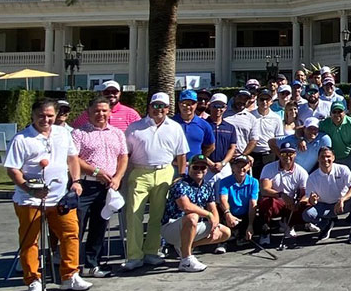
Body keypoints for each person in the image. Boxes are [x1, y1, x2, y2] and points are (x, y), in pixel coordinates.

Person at [5, 98, 91, 291]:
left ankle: (70, 276)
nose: (46, 119)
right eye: (41, 115)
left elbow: (72, 158)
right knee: (30, 240)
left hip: (60, 197)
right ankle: (33, 280)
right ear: (33, 116)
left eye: (50, 116)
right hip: (30, 200)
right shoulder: (22, 139)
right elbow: (13, 170)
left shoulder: (63, 134)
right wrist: (29, 189)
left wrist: (76, 181)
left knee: (71, 234)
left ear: (56, 115)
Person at [122, 92, 189, 271]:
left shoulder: (175, 127)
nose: (158, 109)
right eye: (155, 105)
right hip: (139, 172)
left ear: (168, 109)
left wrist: (181, 176)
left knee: (157, 215)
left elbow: (182, 154)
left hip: (165, 172)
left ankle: (151, 252)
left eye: (163, 106)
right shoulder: (135, 127)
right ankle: (134, 256)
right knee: (134, 214)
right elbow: (125, 154)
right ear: (149, 106)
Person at [72, 95, 129, 278]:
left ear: (110, 112)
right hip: (85, 185)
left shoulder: (117, 133)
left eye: (104, 110)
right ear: (88, 112)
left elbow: (123, 157)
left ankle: (92, 264)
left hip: (108, 187)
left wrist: (118, 177)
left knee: (100, 226)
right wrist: (96, 172)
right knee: (76, 228)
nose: (101, 114)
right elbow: (73, 159)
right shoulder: (79, 133)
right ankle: (71, 267)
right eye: (96, 110)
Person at [162, 155, 232, 272]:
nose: (199, 170)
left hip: (192, 226)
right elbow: (186, 206)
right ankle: (186, 260)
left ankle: (185, 247)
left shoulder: (207, 186)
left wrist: (215, 224)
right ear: (189, 168)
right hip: (171, 227)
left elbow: (213, 207)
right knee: (192, 216)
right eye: (196, 167)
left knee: (225, 232)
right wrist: (208, 215)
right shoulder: (180, 184)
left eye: (203, 167)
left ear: (207, 169)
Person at [301, 146, 351, 244]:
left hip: (341, 204)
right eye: (322, 157)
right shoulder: (312, 177)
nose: (325, 159)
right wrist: (313, 199)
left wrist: (343, 199)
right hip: (324, 206)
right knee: (307, 214)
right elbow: (311, 200)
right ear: (318, 159)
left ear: (333, 158)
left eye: (328, 156)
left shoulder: (343, 169)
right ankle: (325, 225)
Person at [256, 142, 309, 246]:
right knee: (266, 202)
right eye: (284, 154)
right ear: (279, 154)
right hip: (276, 200)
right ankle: (265, 231)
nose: (287, 157)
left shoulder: (301, 171)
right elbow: (264, 189)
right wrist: (281, 195)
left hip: (291, 202)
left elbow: (305, 193)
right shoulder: (269, 168)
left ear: (295, 154)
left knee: (306, 206)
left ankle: (289, 225)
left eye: (290, 154)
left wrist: (299, 202)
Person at [318, 101, 351, 186]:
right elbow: (308, 129)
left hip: (350, 157)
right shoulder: (324, 124)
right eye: (334, 112)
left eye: (340, 111)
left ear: (344, 112)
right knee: (333, 184)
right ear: (330, 113)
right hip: (332, 159)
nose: (337, 114)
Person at [216, 154, 259, 252]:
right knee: (218, 209)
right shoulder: (224, 181)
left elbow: (253, 203)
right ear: (233, 167)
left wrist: (250, 225)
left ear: (248, 167)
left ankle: (240, 235)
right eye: (238, 166)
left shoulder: (254, 182)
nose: (241, 169)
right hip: (230, 213)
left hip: (245, 214)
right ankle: (222, 241)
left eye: (244, 166)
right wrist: (228, 214)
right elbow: (223, 199)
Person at [172, 89, 215, 175]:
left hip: (195, 169)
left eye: (191, 104)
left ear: (196, 105)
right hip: (173, 167)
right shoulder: (171, 123)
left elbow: (211, 146)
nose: (187, 107)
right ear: (179, 104)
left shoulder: (204, 125)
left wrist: (199, 159)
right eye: (183, 103)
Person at [74, 80, 141, 130]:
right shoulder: (90, 113)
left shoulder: (131, 114)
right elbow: (75, 128)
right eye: (107, 92)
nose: (111, 94)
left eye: (114, 92)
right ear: (101, 93)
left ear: (120, 93)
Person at [204, 93, 238, 182]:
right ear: (210, 106)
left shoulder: (230, 127)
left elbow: (232, 148)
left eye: (221, 106)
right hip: (205, 166)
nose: (218, 109)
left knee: (224, 195)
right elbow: (198, 147)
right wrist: (210, 163)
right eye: (215, 106)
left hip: (224, 167)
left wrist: (223, 163)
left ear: (225, 108)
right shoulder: (202, 125)